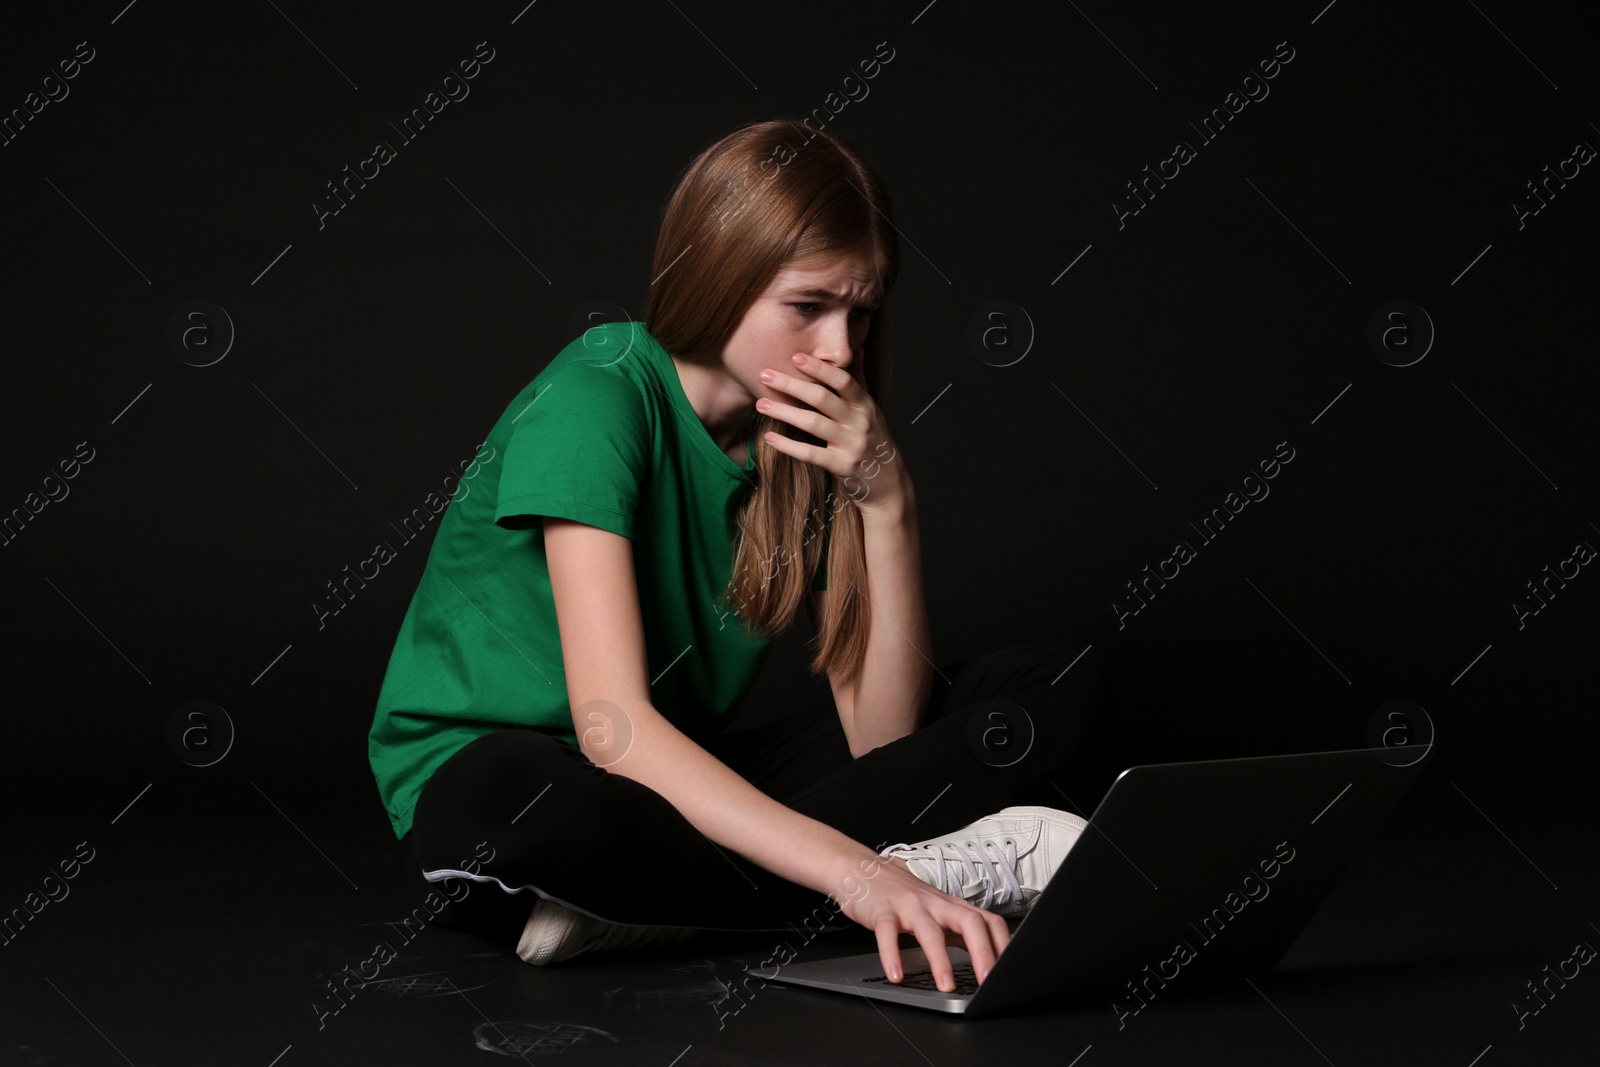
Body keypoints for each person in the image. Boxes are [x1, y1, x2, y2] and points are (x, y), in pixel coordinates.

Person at [366, 118, 1118, 995]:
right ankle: (900, 873)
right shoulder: (596, 396)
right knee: (517, 800)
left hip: (662, 792)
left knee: (1051, 688)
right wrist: (858, 873)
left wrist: (889, 500)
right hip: (532, 780)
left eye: (862, 314)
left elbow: (881, 742)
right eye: (809, 307)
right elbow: (610, 730)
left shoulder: (806, 442)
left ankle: (643, 907)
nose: (841, 350)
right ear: (717, 278)